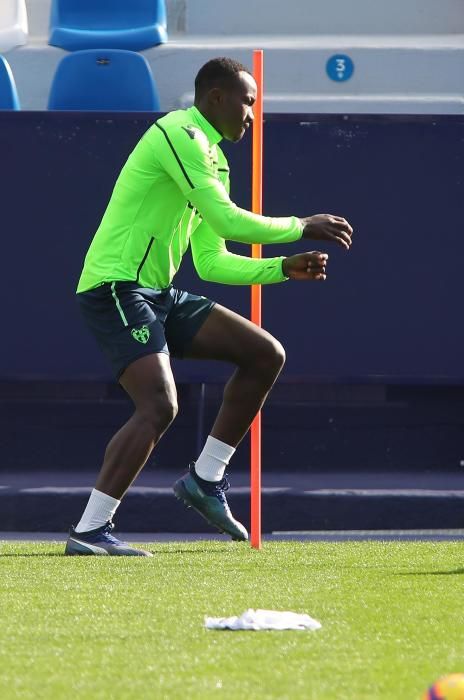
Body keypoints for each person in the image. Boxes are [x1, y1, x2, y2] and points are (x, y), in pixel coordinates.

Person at [65, 57, 353, 556]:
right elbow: (229, 218)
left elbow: (213, 260)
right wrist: (300, 226)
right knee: (159, 405)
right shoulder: (181, 134)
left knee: (265, 353)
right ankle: (90, 531)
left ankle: (206, 478)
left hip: (157, 292)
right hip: (115, 287)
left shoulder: (213, 159)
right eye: (247, 102)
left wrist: (281, 268)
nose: (252, 116)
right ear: (215, 97)